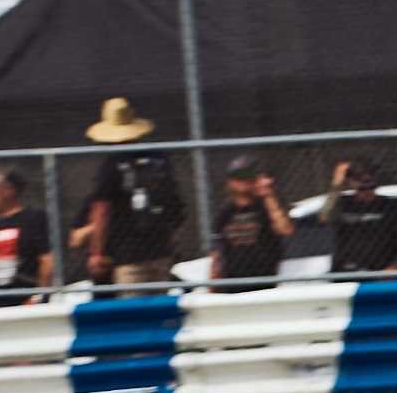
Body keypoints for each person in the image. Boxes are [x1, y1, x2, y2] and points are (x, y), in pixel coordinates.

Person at [84, 97, 186, 292]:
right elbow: (174, 203)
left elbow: (102, 210)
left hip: (127, 255)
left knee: (134, 311)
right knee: (161, 306)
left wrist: (96, 252)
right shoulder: (159, 159)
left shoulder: (112, 164)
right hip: (160, 249)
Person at [208, 155, 296, 290]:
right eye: (238, 178)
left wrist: (267, 195)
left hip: (264, 280)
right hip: (232, 281)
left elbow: (285, 229)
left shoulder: (266, 206)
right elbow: (217, 251)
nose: (242, 182)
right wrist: (213, 283)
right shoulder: (225, 212)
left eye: (246, 178)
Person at [0, 167, 53, 306]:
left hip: (26, 300)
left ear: (9, 190)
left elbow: (47, 260)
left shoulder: (33, 218)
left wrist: (39, 297)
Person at [321, 160, 397, 276]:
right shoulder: (343, 203)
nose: (366, 192)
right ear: (351, 182)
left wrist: (395, 267)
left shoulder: (391, 205)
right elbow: (324, 217)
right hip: (346, 271)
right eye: (361, 187)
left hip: (382, 270)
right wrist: (336, 185)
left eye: (370, 185)